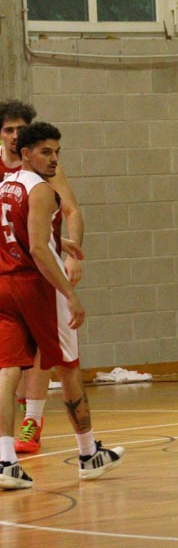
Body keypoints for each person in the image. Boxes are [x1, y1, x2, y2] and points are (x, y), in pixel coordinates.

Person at [0, 122, 123, 490]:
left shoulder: (5, 185)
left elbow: (21, 235)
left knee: (7, 372)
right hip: (37, 288)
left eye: (57, 152)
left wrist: (59, 242)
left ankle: (5, 461)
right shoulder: (41, 191)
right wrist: (69, 292)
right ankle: (88, 454)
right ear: (25, 154)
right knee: (69, 368)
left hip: (5, 284)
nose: (54, 159)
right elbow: (38, 249)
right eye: (46, 152)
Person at [0, 100, 84, 455]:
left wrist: (69, 250)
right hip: (14, 269)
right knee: (13, 361)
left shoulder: (46, 172)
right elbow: (24, 231)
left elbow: (71, 211)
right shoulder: (17, 179)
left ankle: (31, 422)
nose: (15, 135)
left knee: (37, 354)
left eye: (21, 129)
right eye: (8, 129)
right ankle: (88, 450)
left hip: (34, 272)